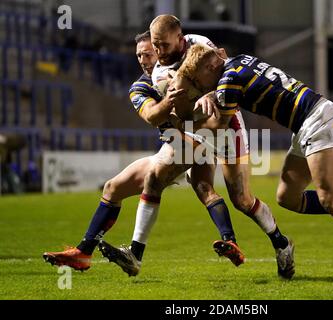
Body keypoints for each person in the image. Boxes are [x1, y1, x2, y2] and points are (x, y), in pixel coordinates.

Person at [175, 44, 333, 289]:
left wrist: (182, 121)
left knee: (330, 199)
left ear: (210, 66)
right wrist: (211, 94)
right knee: (287, 197)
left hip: (318, 120)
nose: (200, 84)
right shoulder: (240, 62)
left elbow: (219, 125)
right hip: (307, 124)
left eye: (198, 78)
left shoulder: (227, 80)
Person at [101, 15, 296, 279]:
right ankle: (135, 254)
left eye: (164, 46)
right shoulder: (159, 72)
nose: (159, 52)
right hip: (197, 130)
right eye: (155, 46)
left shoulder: (200, 44)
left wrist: (210, 94)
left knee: (242, 200)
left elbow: (226, 74)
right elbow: (181, 116)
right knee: (155, 179)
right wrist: (177, 107)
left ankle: (281, 243)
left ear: (180, 40)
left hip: (227, 125)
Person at [42, 31, 242, 275]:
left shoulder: (188, 71)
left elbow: (220, 72)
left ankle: (139, 253)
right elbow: (150, 116)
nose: (143, 59)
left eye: (148, 53)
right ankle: (84, 253)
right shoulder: (141, 86)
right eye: (138, 55)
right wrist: (169, 102)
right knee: (112, 188)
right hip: (174, 144)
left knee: (197, 186)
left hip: (201, 138)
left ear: (160, 52)